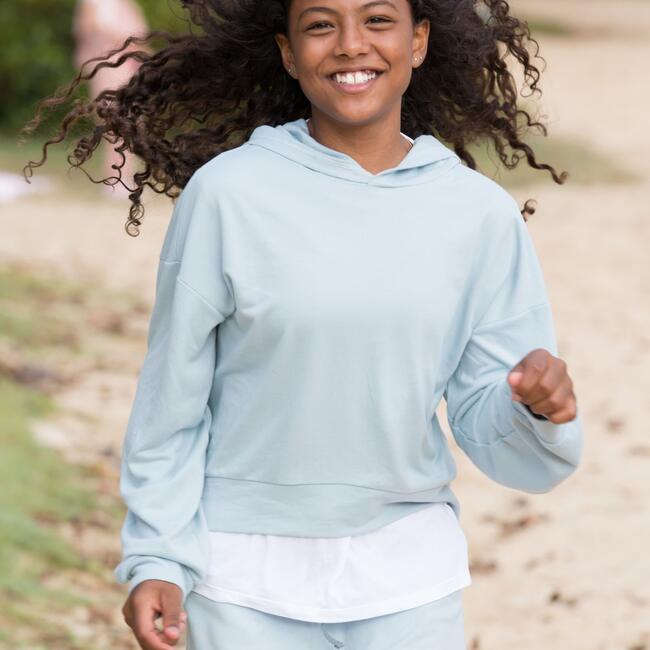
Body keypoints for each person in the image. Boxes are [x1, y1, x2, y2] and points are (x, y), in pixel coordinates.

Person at [22, 0, 584, 648]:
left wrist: (538, 410)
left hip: (407, 581)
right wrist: (158, 558)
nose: (351, 44)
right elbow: (172, 402)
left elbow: (491, 423)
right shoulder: (228, 197)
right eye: (321, 24)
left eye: (378, 20)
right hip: (241, 582)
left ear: (420, 40)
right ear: (288, 52)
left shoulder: (478, 215)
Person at [72, 0, 149, 198]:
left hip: (129, 67)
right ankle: (114, 178)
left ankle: (126, 175)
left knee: (131, 123)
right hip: (107, 67)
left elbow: (140, 36)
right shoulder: (94, 4)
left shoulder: (128, 5)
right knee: (112, 123)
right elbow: (89, 31)